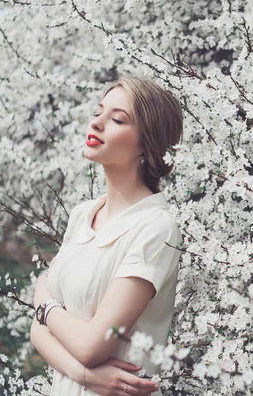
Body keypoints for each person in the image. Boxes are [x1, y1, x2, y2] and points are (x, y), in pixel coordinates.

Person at [29, 77, 184, 396]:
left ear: (147, 143)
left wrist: (43, 303)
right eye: (98, 112)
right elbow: (37, 332)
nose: (97, 123)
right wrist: (82, 374)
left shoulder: (155, 228)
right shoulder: (82, 214)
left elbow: (93, 345)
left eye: (117, 119)